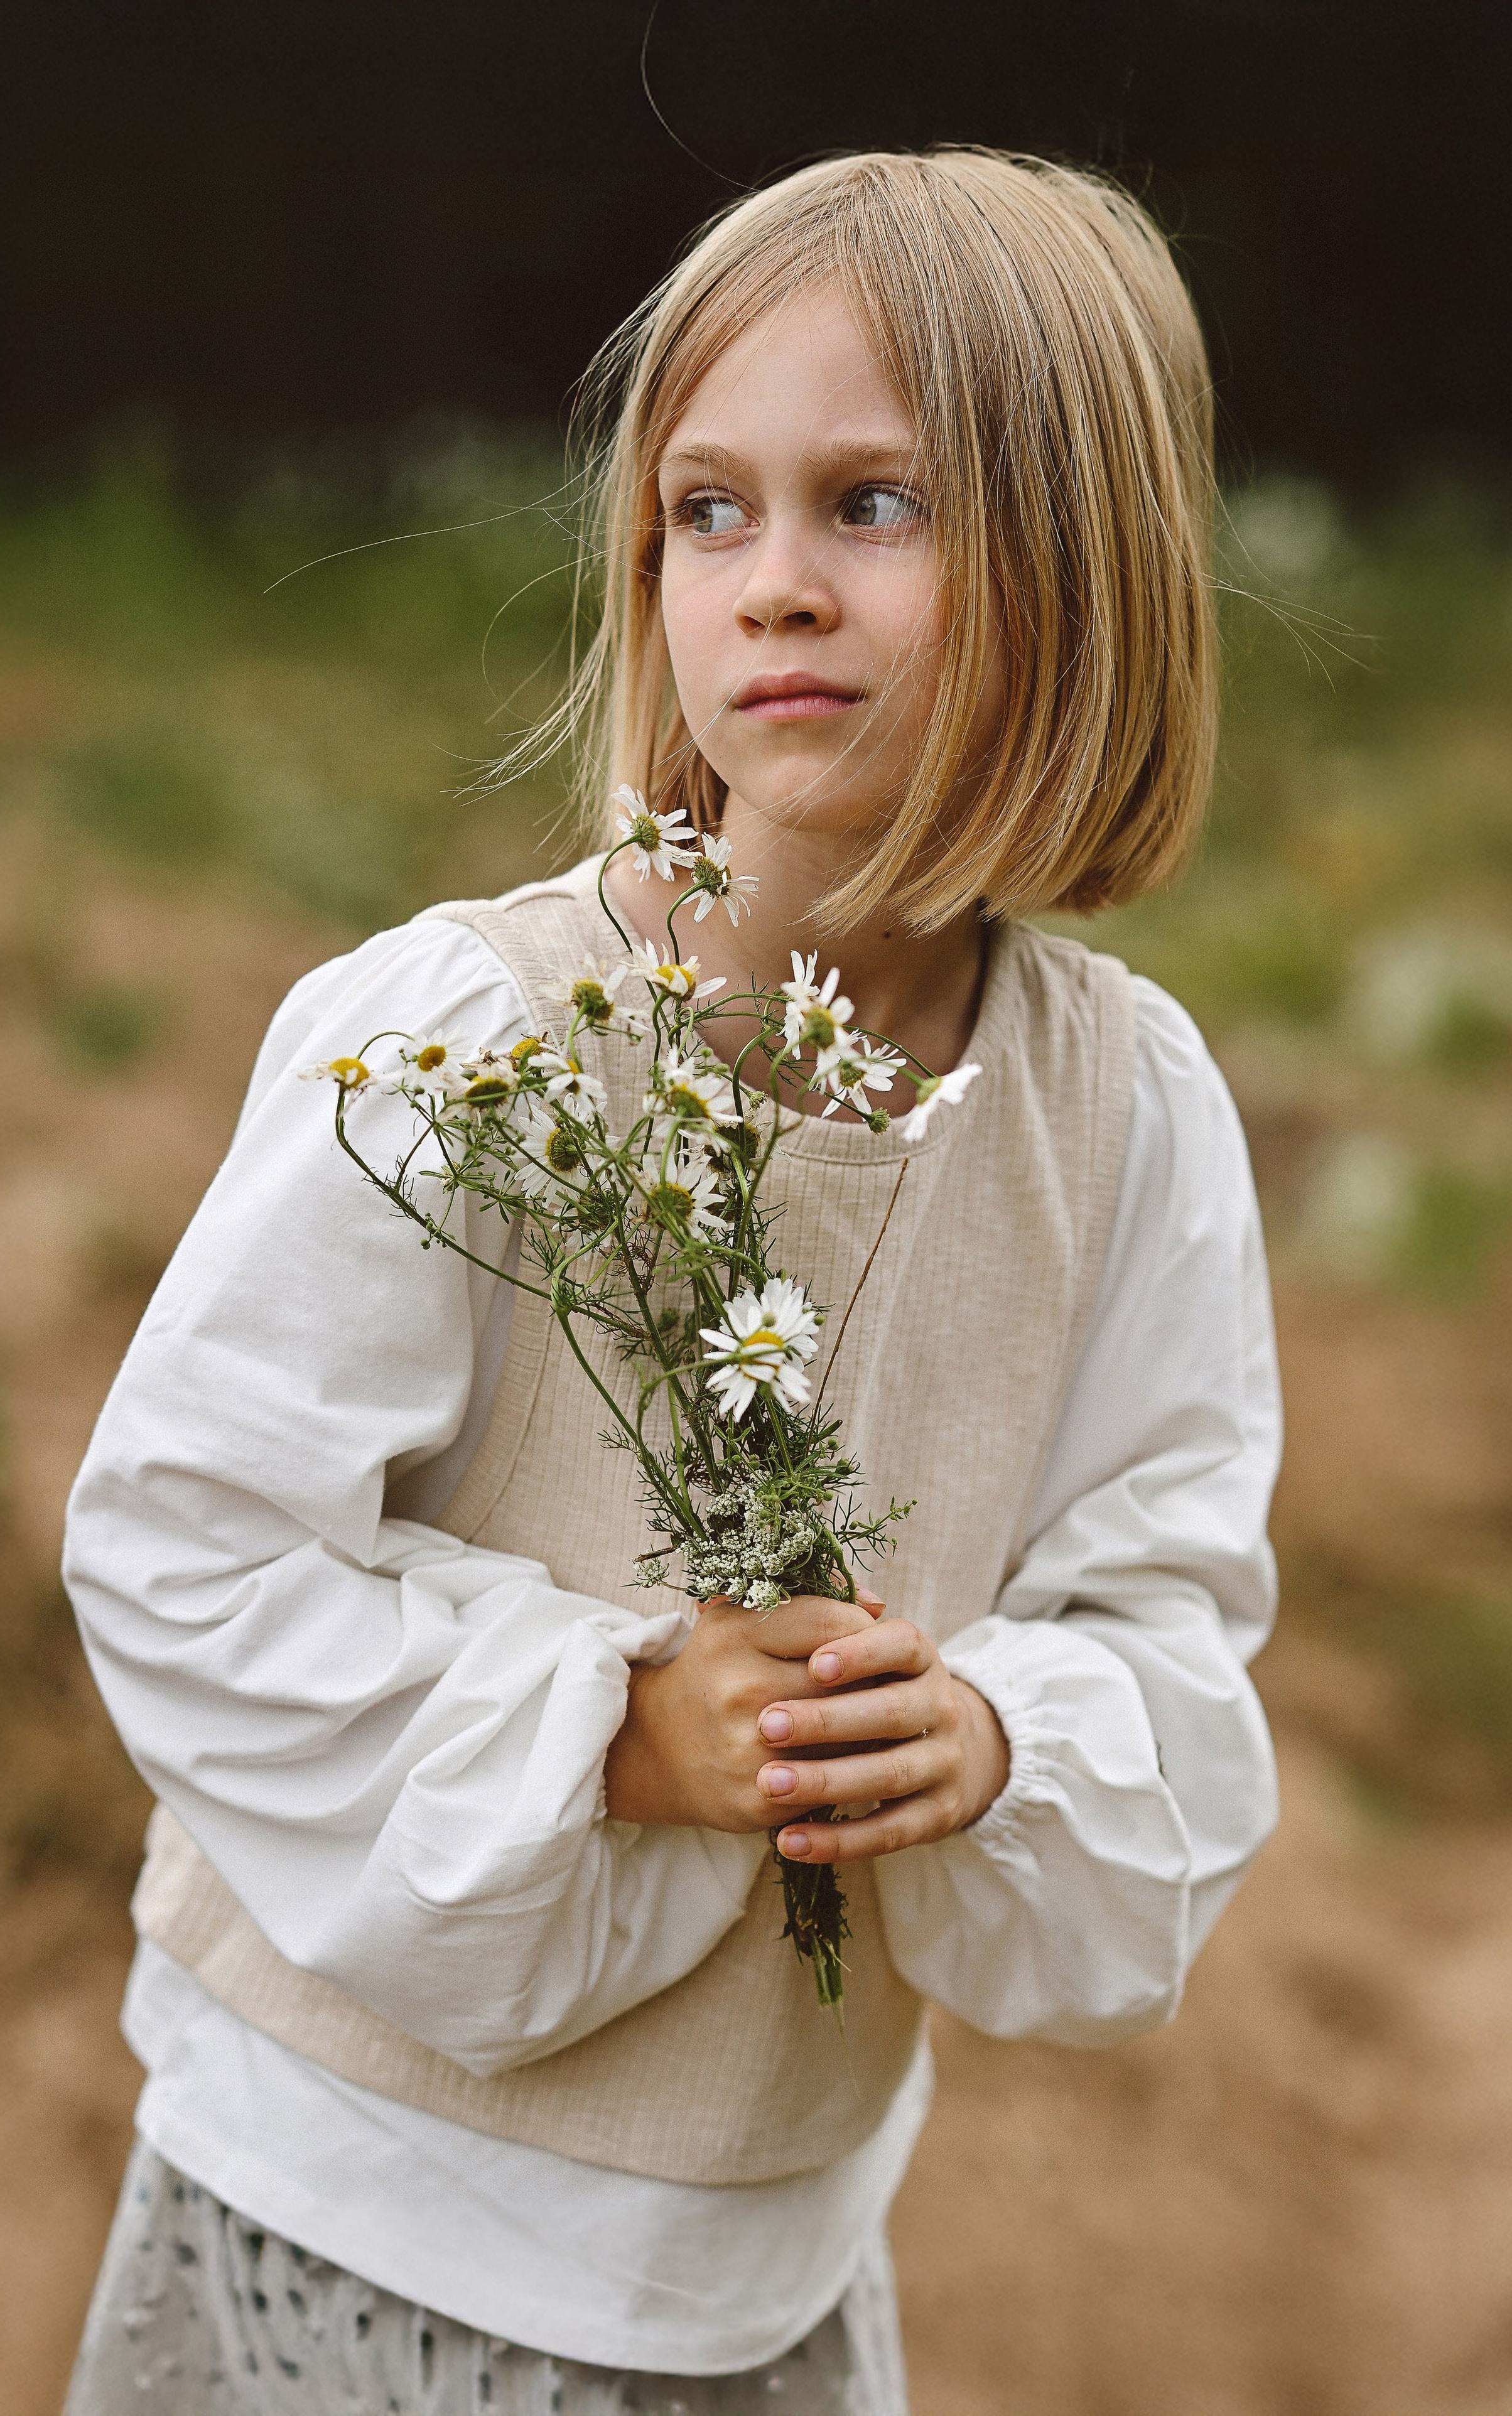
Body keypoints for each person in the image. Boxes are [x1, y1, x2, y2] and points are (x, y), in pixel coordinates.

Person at [62, 147, 1280, 2415]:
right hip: (367, 2197)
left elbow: (1172, 1612)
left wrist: (999, 1732)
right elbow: (186, 1548)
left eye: (876, 506)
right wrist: (610, 1727)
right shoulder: (467, 1042)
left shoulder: (1126, 1113)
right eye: (708, 511)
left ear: (1086, 568)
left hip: (765, 2255)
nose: (773, 588)